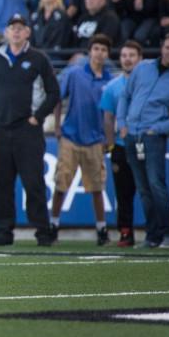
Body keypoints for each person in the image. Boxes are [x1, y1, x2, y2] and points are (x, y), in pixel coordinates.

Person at [0, 14, 60, 247]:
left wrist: (38, 116)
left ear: (27, 33)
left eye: (20, 28)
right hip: (1, 130)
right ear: (6, 32)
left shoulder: (38, 59)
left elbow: (54, 92)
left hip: (28, 130)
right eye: (12, 28)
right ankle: (4, 232)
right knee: (2, 183)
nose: (16, 32)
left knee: (33, 182)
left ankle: (43, 232)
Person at [116, 32, 169, 249]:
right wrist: (122, 123)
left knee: (156, 184)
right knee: (143, 187)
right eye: (168, 47)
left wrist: (156, 129)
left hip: (152, 138)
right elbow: (125, 96)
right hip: (131, 135)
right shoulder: (142, 68)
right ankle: (152, 235)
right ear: (162, 47)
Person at [50, 33, 113, 246]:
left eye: (104, 50)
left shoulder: (109, 80)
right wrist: (57, 125)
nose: (99, 53)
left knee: (97, 187)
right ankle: (53, 226)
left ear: (107, 54)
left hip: (95, 139)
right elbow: (58, 98)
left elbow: (111, 112)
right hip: (70, 135)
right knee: (61, 183)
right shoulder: (75, 73)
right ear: (90, 51)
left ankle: (101, 230)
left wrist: (108, 137)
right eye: (96, 49)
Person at [100, 40, 142, 248]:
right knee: (123, 193)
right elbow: (108, 117)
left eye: (131, 55)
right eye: (124, 55)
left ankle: (157, 232)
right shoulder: (113, 87)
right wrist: (110, 145)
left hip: (144, 144)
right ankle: (126, 233)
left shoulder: (147, 84)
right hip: (120, 145)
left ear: (140, 58)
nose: (127, 59)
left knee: (150, 189)